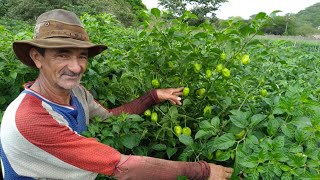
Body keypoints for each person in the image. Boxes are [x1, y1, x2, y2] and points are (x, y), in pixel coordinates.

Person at [0, 9, 233, 180]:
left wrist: (152, 96)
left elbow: (111, 117)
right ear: (37, 57)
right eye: (62, 55)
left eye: (82, 56)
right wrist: (202, 171)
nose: (76, 66)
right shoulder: (29, 119)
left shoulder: (77, 93)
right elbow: (123, 167)